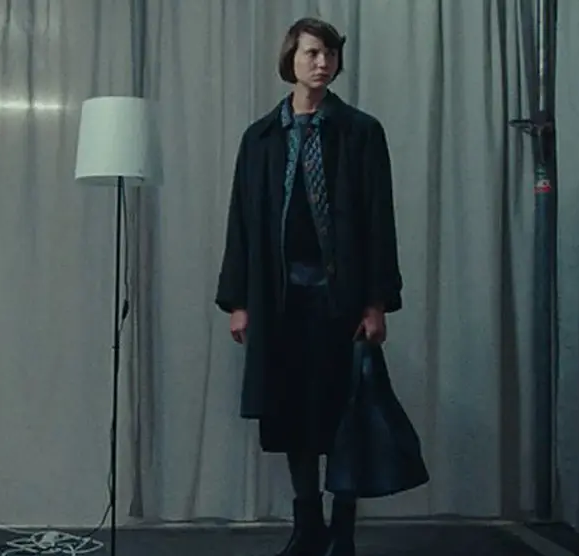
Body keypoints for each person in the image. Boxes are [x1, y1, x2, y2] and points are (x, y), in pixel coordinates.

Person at [215, 16, 403, 556]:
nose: (322, 63)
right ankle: (307, 525)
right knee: (292, 413)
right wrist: (239, 302)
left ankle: (343, 530)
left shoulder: (360, 132)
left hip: (340, 299)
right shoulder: (261, 138)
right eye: (312, 53)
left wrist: (375, 302)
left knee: (346, 414)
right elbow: (241, 222)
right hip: (281, 301)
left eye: (330, 54)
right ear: (291, 60)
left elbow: (378, 221)